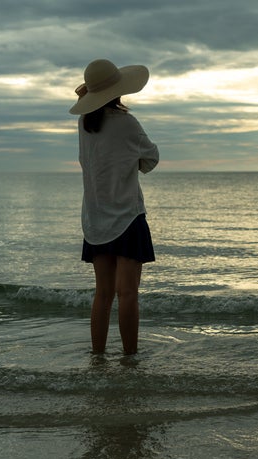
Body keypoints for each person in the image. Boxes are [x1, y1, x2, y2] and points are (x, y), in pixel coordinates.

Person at [69, 59, 159, 355]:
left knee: (103, 294)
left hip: (95, 218)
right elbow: (151, 158)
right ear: (118, 92)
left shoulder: (84, 124)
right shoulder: (126, 123)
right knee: (128, 293)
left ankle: (98, 359)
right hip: (127, 217)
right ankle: (129, 361)